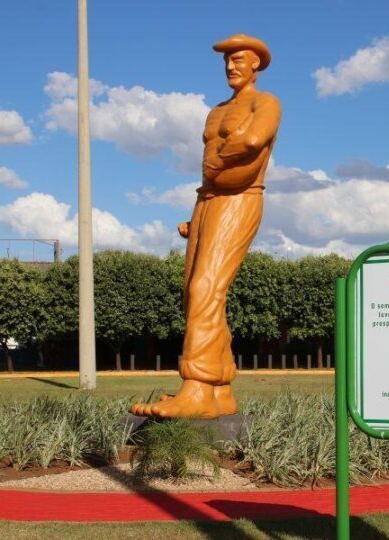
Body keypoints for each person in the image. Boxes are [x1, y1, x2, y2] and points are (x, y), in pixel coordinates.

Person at [131, 34, 281, 418]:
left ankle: (196, 388)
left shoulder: (266, 103)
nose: (231, 65)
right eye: (227, 60)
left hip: (241, 199)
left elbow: (253, 139)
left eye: (239, 59)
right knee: (195, 295)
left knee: (205, 288)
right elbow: (209, 159)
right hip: (207, 202)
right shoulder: (215, 111)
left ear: (256, 65)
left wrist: (221, 161)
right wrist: (196, 212)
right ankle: (219, 391)